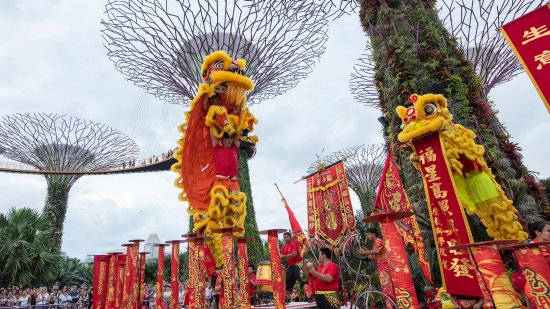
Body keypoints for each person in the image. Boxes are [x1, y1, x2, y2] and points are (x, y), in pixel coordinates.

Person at [356, 228, 395, 306]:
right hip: (381, 267)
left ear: (374, 234)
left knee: (387, 289)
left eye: (369, 234)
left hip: (385, 266)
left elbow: (377, 251)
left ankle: (391, 305)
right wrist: (364, 253)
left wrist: (364, 252)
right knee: (386, 289)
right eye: (367, 234)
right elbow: (373, 257)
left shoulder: (378, 241)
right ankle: (390, 305)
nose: (367, 236)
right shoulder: (374, 244)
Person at [280, 231, 303, 301]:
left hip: (298, 264)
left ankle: (309, 296)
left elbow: (294, 254)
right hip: (291, 265)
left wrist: (283, 256)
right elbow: (281, 257)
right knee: (288, 281)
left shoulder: (293, 244)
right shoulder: (284, 247)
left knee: (301, 280)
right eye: (284, 238)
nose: (285, 239)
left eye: (287, 237)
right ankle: (286, 298)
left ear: (290, 237)